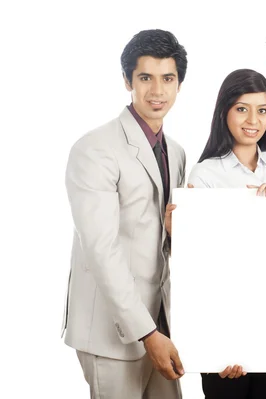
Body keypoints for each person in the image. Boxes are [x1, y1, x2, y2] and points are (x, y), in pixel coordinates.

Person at [63, 29, 188, 398]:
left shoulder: (177, 152)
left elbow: (164, 239)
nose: (157, 91)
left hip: (160, 322)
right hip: (112, 332)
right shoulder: (95, 149)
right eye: (145, 78)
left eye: (168, 79)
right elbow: (101, 250)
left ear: (179, 84)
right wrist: (146, 333)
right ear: (126, 81)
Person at [183, 68, 266, 399]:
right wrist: (215, 345)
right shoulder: (205, 175)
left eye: (262, 110)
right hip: (224, 328)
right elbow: (201, 267)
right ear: (224, 112)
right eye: (242, 108)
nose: (254, 119)